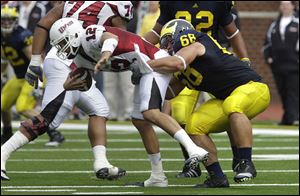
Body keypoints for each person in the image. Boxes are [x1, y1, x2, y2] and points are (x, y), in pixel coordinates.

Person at [50, 17, 209, 188]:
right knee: (139, 120)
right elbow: (81, 80)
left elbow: (111, 38)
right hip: (141, 69)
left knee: (150, 112)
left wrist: (105, 56)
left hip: (154, 62)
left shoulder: (89, 34)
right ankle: (157, 176)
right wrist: (68, 85)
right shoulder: (79, 58)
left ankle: (194, 149)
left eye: (63, 42)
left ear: (73, 34)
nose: (63, 49)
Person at [1, 1, 134, 181]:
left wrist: (34, 61)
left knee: (99, 109)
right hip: (66, 62)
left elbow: (43, 24)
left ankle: (101, 163)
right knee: (48, 120)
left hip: (68, 62)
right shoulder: (115, 6)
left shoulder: (73, 2)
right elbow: (122, 38)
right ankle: (2, 154)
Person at [147, 19, 271, 187]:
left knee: (233, 105)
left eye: (168, 41)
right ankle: (217, 176)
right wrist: (146, 82)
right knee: (194, 126)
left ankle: (245, 162)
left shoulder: (196, 44)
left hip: (252, 88)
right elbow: (169, 93)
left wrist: (147, 66)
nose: (165, 48)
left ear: (180, 35)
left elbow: (178, 62)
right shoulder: (183, 66)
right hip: (224, 98)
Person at [0, 4, 63, 145]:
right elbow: (4, 59)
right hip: (18, 77)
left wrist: (39, 85)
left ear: (15, 20)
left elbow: (36, 60)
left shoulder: (22, 36)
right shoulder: (2, 37)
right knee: (2, 105)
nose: (6, 23)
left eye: (9, 20)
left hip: (32, 75)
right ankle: (7, 133)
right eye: (3, 20)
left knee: (23, 107)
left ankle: (54, 133)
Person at [263, 1, 299, 126]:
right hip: (278, 65)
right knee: (282, 91)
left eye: (287, 4)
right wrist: (268, 57)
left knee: (292, 91)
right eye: (282, 5)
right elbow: (267, 43)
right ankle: (287, 118)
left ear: (293, 6)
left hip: (294, 65)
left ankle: (294, 118)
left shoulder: (297, 23)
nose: (285, 7)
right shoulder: (274, 24)